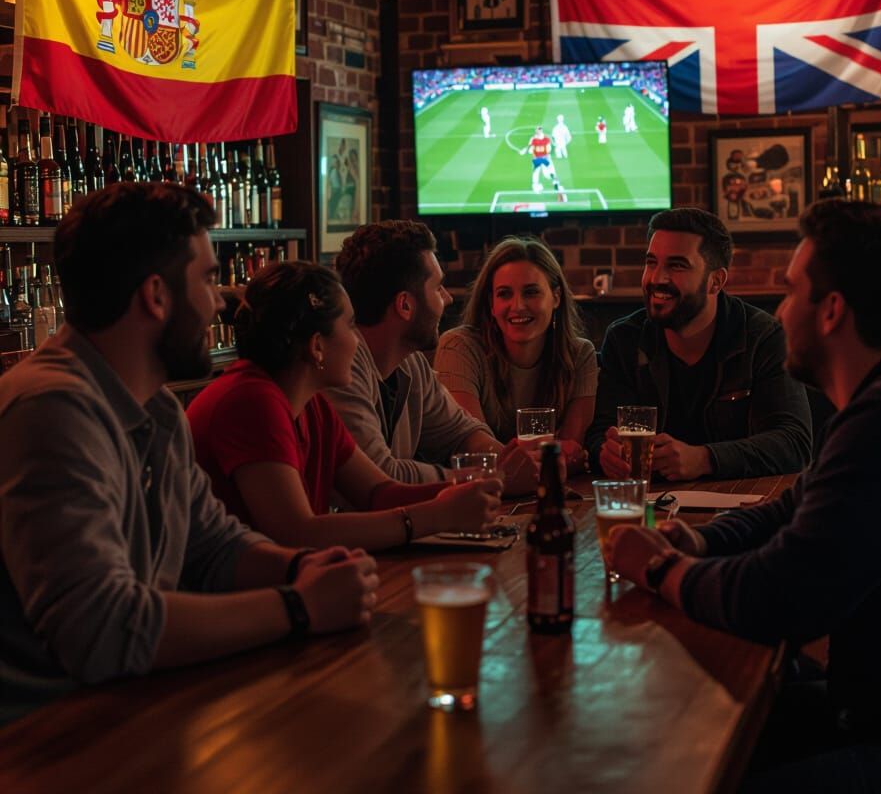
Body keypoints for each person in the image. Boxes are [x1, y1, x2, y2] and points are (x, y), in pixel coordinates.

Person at [608, 200, 881, 792]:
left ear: (831, 311)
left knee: (687, 764)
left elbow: (776, 597)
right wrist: (697, 537)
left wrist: (659, 567)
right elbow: (790, 508)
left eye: (790, 291)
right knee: (666, 739)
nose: (778, 312)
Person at [0, 184, 378, 725]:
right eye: (205, 278)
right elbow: (101, 630)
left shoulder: (156, 410)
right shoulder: (51, 410)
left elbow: (211, 545)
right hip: (44, 739)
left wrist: (302, 565)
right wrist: (299, 606)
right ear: (156, 295)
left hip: (129, 711)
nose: (220, 299)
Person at [188, 261, 502, 550]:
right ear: (317, 346)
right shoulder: (252, 401)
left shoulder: (313, 406)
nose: (358, 341)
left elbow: (379, 493)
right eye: (350, 325)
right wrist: (436, 515)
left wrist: (470, 486)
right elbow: (297, 533)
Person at [586, 207, 812, 479]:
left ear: (716, 281)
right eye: (651, 262)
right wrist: (605, 452)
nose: (657, 278)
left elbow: (794, 443)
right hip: (649, 507)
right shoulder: (625, 339)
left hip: (741, 508)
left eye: (677, 265)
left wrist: (704, 459)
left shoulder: (762, 337)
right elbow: (601, 431)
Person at [330, 220, 537, 492]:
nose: (448, 298)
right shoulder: (342, 366)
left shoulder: (410, 363)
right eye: (438, 287)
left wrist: (516, 466)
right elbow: (380, 477)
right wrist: (489, 477)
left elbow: (461, 433)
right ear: (405, 305)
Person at [434, 237, 597, 475]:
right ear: (491, 303)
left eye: (531, 292)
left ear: (557, 297)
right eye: (504, 294)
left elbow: (570, 453)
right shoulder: (459, 347)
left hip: (549, 496)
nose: (518, 305)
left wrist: (527, 463)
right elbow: (472, 449)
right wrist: (538, 460)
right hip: (477, 497)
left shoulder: (580, 355)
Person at [519, 125, 564, 197]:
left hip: (538, 158)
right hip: (545, 157)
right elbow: (549, 149)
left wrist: (524, 151)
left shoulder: (533, 139)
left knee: (536, 172)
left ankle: (536, 186)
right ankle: (555, 182)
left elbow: (530, 147)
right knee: (549, 172)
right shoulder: (546, 138)